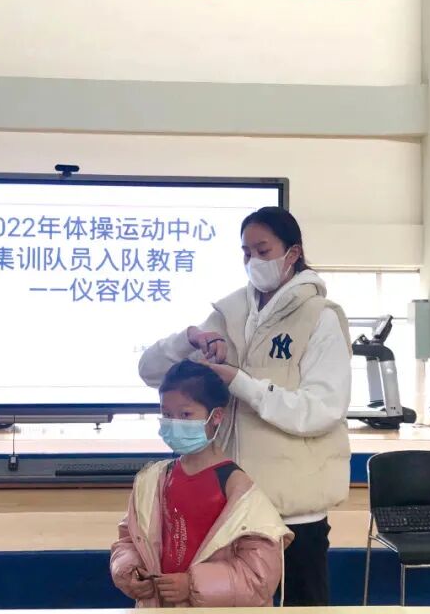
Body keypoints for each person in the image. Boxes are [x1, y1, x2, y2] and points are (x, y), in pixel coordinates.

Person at [138, 206, 351, 606]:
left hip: (291, 511)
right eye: (246, 252)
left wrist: (242, 383)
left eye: (263, 250)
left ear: (293, 253)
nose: (253, 260)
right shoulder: (229, 313)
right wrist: (187, 339)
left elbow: (323, 409)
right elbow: (151, 372)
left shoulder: (319, 318)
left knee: (300, 605)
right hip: (227, 509)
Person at [111, 361, 291, 607]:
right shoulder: (153, 481)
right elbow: (130, 539)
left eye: (185, 414)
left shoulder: (238, 489)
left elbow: (259, 577)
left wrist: (192, 585)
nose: (174, 423)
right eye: (167, 414)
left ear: (216, 416)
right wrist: (129, 570)